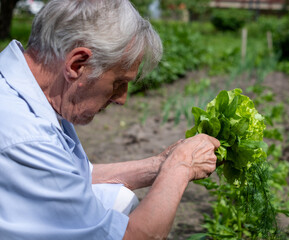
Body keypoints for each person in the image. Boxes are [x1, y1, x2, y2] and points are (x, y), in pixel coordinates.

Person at [0, 0, 220, 239]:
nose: (121, 99)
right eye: (118, 82)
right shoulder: (26, 136)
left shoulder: (25, 88)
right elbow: (136, 236)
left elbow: (75, 174)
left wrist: (161, 164)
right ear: (77, 64)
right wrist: (181, 166)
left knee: (118, 199)